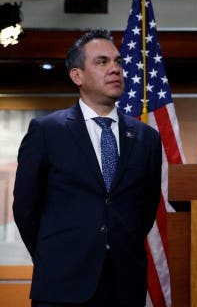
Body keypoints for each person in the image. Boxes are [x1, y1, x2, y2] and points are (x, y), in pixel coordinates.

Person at [13, 29, 162, 306]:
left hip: (124, 286)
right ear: (77, 76)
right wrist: (54, 256)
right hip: (61, 286)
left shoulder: (146, 138)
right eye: (102, 62)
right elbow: (25, 208)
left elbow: (146, 209)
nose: (115, 69)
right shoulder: (46, 131)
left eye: (117, 62)